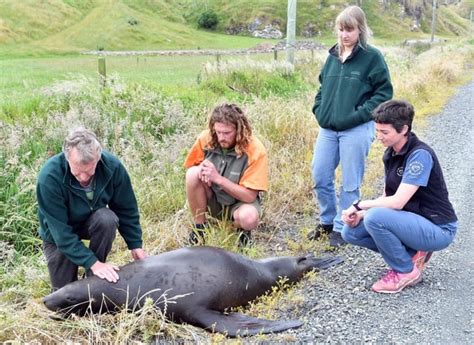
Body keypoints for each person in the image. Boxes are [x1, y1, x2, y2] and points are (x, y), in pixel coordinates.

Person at [341, 100, 458, 293]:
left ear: (404, 129)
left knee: (375, 217)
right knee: (350, 232)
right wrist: (360, 215)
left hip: (439, 228)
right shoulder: (391, 153)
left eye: (384, 132)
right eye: (377, 131)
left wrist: (360, 205)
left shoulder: (419, 154)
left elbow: (397, 202)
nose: (379, 137)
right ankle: (413, 253)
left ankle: (406, 271)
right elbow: (388, 195)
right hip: (413, 221)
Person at [309, 5, 393, 247]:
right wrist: (319, 108)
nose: (344, 35)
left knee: (350, 181)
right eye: (341, 29)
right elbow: (322, 88)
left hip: (356, 129)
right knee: (320, 175)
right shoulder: (333, 56)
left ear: (360, 30)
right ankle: (326, 221)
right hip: (328, 129)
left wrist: (361, 114)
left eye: (350, 30)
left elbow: (384, 92)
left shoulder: (372, 57)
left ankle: (342, 225)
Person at [37, 127, 148, 291]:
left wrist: (135, 244)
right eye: (77, 173)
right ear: (67, 159)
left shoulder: (112, 167)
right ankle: (94, 266)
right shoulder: (49, 178)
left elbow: (126, 209)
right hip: (57, 234)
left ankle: (93, 277)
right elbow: (61, 234)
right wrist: (94, 262)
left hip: (91, 221)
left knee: (107, 219)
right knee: (64, 297)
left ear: (98, 158)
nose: (83, 178)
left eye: (89, 172)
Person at [184, 103, 268, 246]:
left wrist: (217, 178)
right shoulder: (206, 139)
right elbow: (190, 169)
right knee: (193, 173)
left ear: (239, 130)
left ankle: (241, 233)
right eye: (218, 132)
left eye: (227, 133)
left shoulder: (255, 149)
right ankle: (199, 229)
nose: (222, 137)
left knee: (249, 218)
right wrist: (203, 170)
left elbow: (249, 196)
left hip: (239, 203)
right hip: (213, 198)